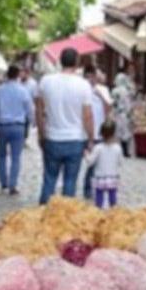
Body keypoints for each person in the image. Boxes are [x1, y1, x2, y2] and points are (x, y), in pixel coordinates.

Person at [36, 47, 94, 204]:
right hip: (75, 139)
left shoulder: (46, 81)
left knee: (49, 179)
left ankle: (43, 214)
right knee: (70, 181)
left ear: (60, 61)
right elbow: (87, 115)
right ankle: (66, 217)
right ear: (77, 62)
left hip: (52, 137)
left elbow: (39, 111)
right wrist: (90, 138)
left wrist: (41, 134)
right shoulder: (83, 85)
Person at [0, 65, 35, 196]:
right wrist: (34, 122)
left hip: (1, 127)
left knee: (1, 156)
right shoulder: (23, 91)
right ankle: (13, 185)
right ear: (18, 75)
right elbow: (30, 109)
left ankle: (3, 182)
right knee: (16, 157)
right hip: (18, 127)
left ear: (7, 75)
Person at [82, 65, 113, 199]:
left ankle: (90, 188)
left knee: (95, 162)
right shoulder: (82, 90)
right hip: (84, 131)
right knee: (90, 162)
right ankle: (88, 187)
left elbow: (108, 109)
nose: (90, 79)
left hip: (99, 131)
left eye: (92, 76)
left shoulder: (103, 90)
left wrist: (101, 96)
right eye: (88, 76)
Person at [84, 121, 123, 209]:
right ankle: (114, 212)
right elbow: (121, 162)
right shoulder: (118, 148)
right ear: (114, 133)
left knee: (99, 197)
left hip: (100, 177)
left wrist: (86, 154)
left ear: (101, 133)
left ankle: (99, 211)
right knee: (112, 197)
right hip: (113, 176)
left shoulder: (98, 148)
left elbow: (90, 162)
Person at [112, 69, 137, 157]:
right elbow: (131, 103)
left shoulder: (115, 91)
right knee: (127, 133)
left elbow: (114, 104)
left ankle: (120, 150)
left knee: (118, 132)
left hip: (118, 114)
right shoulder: (128, 91)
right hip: (127, 114)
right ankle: (127, 151)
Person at [20, 69, 39, 144]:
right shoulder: (18, 81)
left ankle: (24, 139)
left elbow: (35, 96)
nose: (21, 75)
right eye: (20, 74)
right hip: (19, 107)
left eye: (23, 74)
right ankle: (21, 138)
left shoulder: (33, 83)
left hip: (28, 107)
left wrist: (36, 108)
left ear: (27, 74)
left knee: (26, 124)